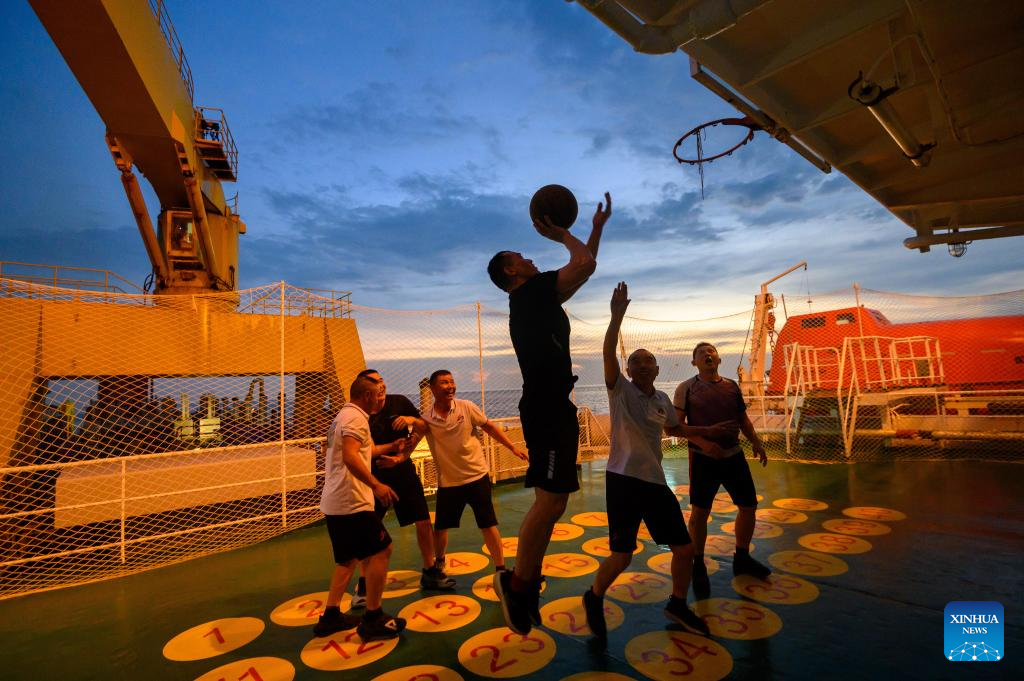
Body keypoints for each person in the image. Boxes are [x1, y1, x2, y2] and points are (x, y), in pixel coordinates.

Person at [486, 191, 612, 634]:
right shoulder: (531, 293)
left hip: (552, 403)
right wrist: (562, 235)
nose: (529, 258)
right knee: (550, 500)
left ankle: (524, 583)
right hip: (546, 405)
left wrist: (594, 230)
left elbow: (583, 270)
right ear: (510, 271)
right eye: (520, 257)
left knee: (553, 501)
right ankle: (518, 585)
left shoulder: (537, 297)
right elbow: (583, 264)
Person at [583, 283, 730, 642]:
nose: (642, 363)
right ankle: (594, 596)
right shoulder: (620, 391)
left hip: (655, 481)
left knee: (684, 549)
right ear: (628, 369)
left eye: (648, 359)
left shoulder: (662, 398)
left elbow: (674, 428)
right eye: (635, 360)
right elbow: (607, 352)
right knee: (622, 556)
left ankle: (677, 604)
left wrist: (705, 434)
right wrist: (616, 316)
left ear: (657, 368)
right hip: (623, 480)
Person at [348, 369, 454, 608]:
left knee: (423, 520)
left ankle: (430, 570)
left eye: (382, 380)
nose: (381, 385)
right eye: (375, 382)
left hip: (403, 472)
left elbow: (423, 427)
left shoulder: (399, 402)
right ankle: (364, 585)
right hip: (374, 477)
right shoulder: (360, 414)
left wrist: (410, 422)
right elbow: (360, 451)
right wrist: (390, 451)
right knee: (369, 530)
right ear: (366, 390)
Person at [673, 341, 771, 601]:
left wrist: (756, 442)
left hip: (733, 456)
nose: (707, 354)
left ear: (719, 360)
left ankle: (742, 557)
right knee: (700, 513)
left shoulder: (731, 386)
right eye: (701, 352)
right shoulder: (686, 388)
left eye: (711, 351)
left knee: (748, 506)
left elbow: (743, 420)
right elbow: (677, 427)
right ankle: (698, 564)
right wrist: (705, 443)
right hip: (703, 459)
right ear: (694, 362)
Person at [313, 374, 406, 642]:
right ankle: (373, 617)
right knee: (382, 550)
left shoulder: (343, 416)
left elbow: (365, 451)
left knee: (347, 559)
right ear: (367, 396)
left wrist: (392, 446)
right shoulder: (356, 418)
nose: (381, 398)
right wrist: (376, 485)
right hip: (351, 501)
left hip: (335, 501)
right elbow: (351, 456)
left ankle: (330, 616)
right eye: (378, 393)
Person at [414, 370, 527, 575]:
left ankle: (500, 568)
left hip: (477, 477)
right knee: (441, 527)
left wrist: (512, 447)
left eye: (452, 382)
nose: (450, 386)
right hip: (449, 483)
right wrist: (397, 457)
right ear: (432, 388)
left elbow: (489, 427)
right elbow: (411, 441)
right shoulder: (426, 419)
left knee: (488, 524)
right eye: (444, 382)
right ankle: (439, 563)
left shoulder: (466, 407)